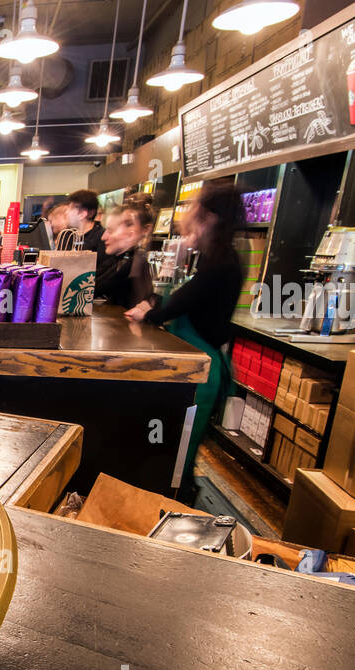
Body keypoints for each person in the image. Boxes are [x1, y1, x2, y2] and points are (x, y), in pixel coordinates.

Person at [125, 179, 244, 494]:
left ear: (209, 217)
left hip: (202, 371)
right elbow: (182, 299)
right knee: (176, 451)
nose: (188, 214)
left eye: (195, 207)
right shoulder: (214, 258)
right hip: (196, 363)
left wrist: (149, 312)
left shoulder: (222, 264)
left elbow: (183, 301)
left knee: (180, 458)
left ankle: (178, 512)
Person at [97, 197, 155, 308]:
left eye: (110, 230)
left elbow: (93, 290)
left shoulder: (132, 263)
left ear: (130, 234)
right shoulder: (119, 260)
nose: (103, 237)